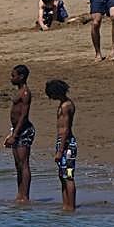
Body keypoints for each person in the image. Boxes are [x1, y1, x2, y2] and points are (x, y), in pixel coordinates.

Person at [46, 79, 78, 212]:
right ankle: (66, 204)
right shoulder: (64, 104)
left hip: (67, 145)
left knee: (68, 176)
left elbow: (65, 129)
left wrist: (60, 150)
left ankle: (71, 206)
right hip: (63, 143)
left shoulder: (66, 106)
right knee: (62, 175)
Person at [4, 65, 34, 202]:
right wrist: (12, 132)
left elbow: (23, 116)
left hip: (24, 131)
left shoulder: (25, 93)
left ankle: (25, 195)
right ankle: (20, 194)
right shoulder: (20, 91)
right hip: (16, 130)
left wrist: (15, 135)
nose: (11, 78)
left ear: (21, 77)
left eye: (13, 76)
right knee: (18, 165)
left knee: (24, 163)